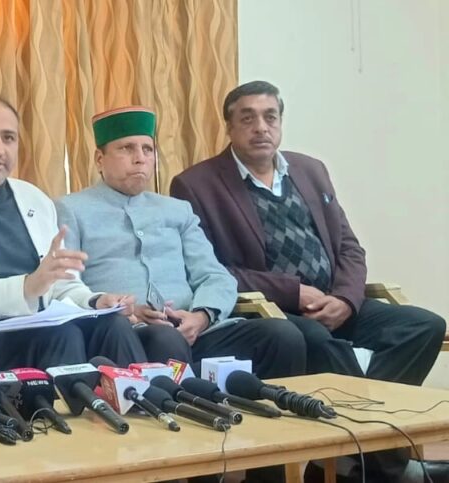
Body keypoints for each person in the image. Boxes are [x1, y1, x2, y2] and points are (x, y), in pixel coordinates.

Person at [170, 80, 446, 482]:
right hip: (270, 311)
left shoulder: (310, 170)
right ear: (228, 127)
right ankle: (375, 463)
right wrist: (293, 292)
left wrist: (346, 300)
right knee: (314, 342)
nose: (261, 127)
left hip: (335, 302)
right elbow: (215, 269)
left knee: (424, 326)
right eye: (247, 118)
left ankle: (355, 458)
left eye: (270, 117)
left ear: (281, 122)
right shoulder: (197, 184)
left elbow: (349, 247)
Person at [0, 95, 163, 371]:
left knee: (113, 324)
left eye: (9, 138)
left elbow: (59, 286)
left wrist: (95, 300)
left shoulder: (34, 198)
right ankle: (63, 402)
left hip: (44, 323)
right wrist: (25, 288)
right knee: (61, 334)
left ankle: (143, 397)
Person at [57, 106, 307, 380]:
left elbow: (215, 276)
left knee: (282, 336)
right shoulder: (72, 210)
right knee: (165, 339)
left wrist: (200, 317)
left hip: (196, 332)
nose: (140, 159)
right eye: (127, 149)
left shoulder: (177, 210)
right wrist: (124, 311)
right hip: (129, 337)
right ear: (99, 159)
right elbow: (65, 287)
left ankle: (267, 409)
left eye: (147, 149)